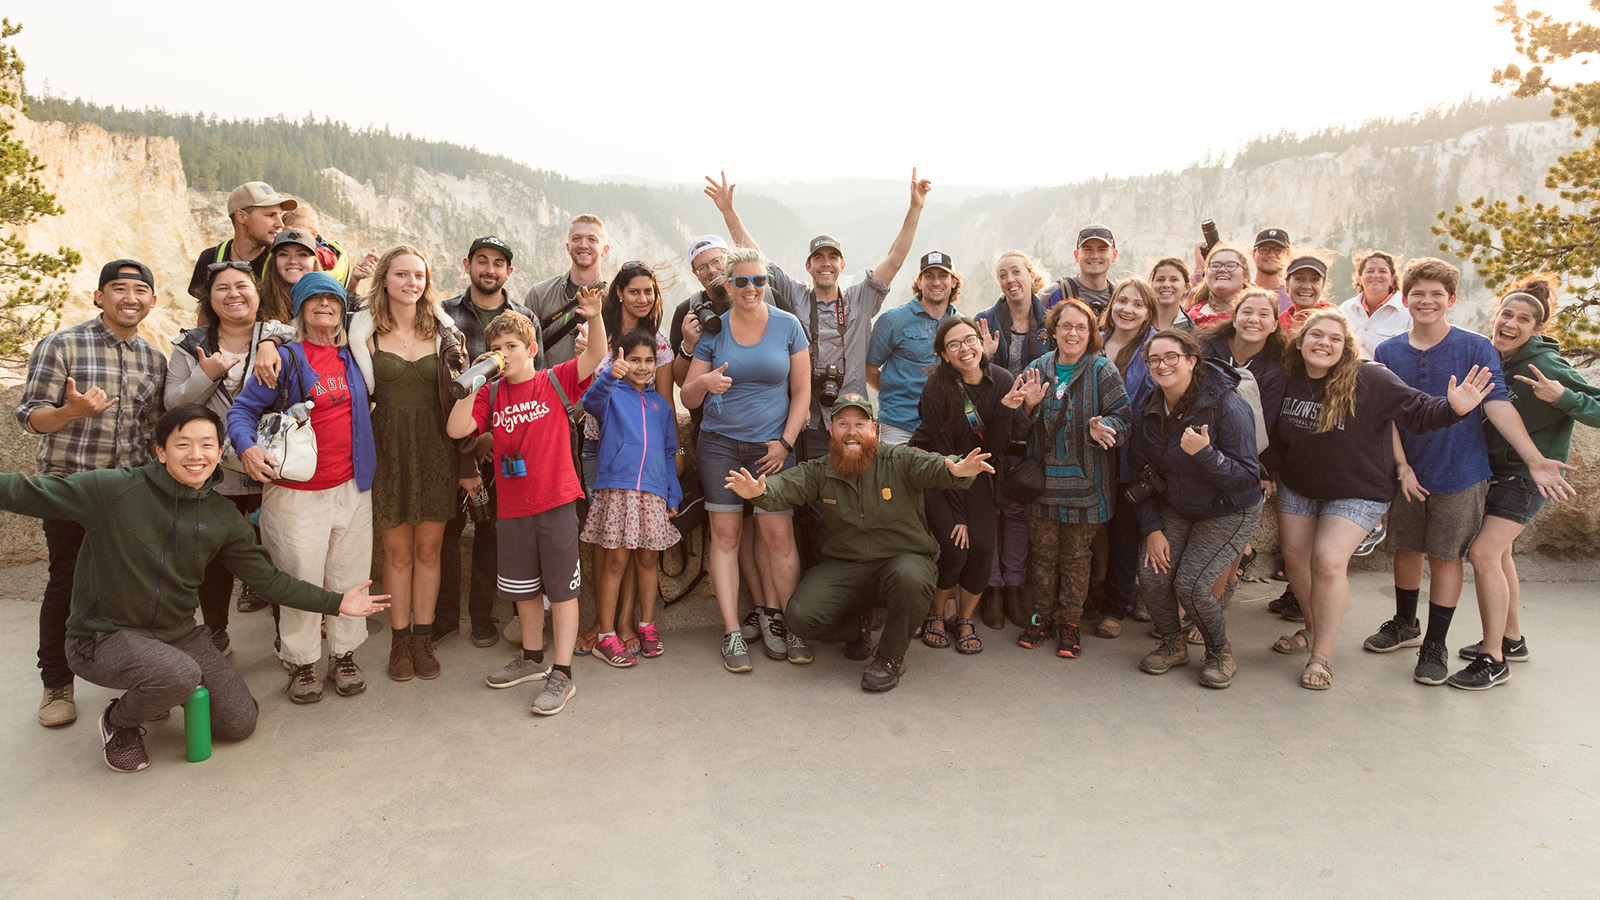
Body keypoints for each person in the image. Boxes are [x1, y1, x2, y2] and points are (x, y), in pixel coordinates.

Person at [0, 405, 392, 772]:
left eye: (207, 445)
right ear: (160, 451)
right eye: (182, 444)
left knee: (239, 723)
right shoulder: (113, 489)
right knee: (178, 675)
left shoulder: (221, 517)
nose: (196, 455)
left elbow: (269, 581)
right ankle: (119, 722)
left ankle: (158, 686)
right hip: (103, 635)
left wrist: (338, 602)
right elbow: (22, 491)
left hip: (176, 635)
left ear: (221, 452)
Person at [1368, 258, 1571, 686]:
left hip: (1462, 472)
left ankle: (1435, 644)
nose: (1426, 301)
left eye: (1436, 294)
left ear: (1451, 300)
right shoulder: (1387, 352)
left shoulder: (1475, 347)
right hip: (1410, 471)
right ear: (1404, 300)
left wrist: (1534, 459)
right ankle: (1406, 623)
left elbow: (1498, 403)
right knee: (1406, 548)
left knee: (1446, 557)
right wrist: (1401, 466)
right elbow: (1386, 417)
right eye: (1418, 294)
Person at [1268, 308, 1493, 690]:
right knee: (1295, 559)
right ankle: (1311, 626)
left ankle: (1321, 655)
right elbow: (1272, 434)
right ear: (1300, 341)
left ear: (1346, 347)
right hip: (1299, 486)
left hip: (1357, 490)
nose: (1324, 343)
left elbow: (1418, 410)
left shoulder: (1369, 378)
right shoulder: (1288, 379)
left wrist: (1453, 408)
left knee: (1326, 562)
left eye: (1334, 338)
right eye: (1316, 335)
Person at [724, 394, 995, 691]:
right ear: (831, 429)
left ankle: (889, 657)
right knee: (800, 616)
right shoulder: (820, 469)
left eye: (859, 423)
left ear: (874, 429)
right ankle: (859, 626)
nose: (851, 431)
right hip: (846, 568)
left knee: (913, 579)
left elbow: (933, 465)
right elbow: (787, 485)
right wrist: (757, 492)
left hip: (901, 563)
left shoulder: (899, 459)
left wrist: (957, 469)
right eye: (843, 424)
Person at [15, 259, 167, 729]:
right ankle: (57, 683)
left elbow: (151, 432)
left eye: (140, 290)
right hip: (71, 489)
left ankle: (141, 678)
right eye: (119, 289)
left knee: (133, 587)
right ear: (99, 297)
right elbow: (30, 415)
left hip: (128, 493)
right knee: (66, 584)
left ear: (152, 301)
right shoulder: (62, 344)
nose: (130, 298)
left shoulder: (153, 359)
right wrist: (70, 413)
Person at [447, 300, 605, 717]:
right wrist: (473, 383)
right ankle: (532, 658)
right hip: (513, 509)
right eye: (496, 346)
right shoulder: (493, 393)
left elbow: (596, 355)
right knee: (524, 590)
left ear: (531, 349)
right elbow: (457, 429)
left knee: (562, 589)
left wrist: (594, 315)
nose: (504, 354)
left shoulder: (556, 380)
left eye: (512, 346)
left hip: (555, 503)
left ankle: (563, 672)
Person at [706, 169, 927, 460]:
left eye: (832, 257)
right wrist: (728, 211)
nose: (826, 264)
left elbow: (895, 259)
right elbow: (755, 260)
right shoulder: (794, 295)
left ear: (842, 265)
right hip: (806, 419)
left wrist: (916, 207)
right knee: (812, 496)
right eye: (818, 258)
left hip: (852, 417)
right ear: (808, 266)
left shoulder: (860, 299)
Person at [228, 272, 377, 704]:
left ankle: (344, 654)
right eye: (314, 300)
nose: (325, 306)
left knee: (350, 576)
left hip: (352, 487)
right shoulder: (285, 358)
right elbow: (242, 410)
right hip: (297, 494)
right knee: (301, 578)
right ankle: (301, 661)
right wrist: (248, 449)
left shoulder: (354, 356)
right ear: (300, 309)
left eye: (333, 299)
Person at [1456, 280, 1600, 688]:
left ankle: (1493, 658)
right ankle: (1512, 639)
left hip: (1530, 477)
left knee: (1483, 555)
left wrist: (1564, 398)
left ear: (1537, 328)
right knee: (1500, 557)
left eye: (1523, 319)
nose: (1511, 323)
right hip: (1497, 473)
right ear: (1495, 316)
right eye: (1506, 314)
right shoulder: (1493, 358)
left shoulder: (1548, 366)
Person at [680, 248, 811, 671]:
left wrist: (785, 444)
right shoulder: (715, 330)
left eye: (757, 280)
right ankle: (732, 632)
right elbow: (686, 395)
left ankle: (791, 625)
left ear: (766, 282)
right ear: (728, 286)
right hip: (720, 445)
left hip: (771, 449)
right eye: (741, 281)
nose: (750, 288)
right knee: (726, 538)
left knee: (779, 539)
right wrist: (706, 380)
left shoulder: (788, 326)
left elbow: (802, 393)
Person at [349, 246, 473, 683]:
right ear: (384, 279)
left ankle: (423, 636)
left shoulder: (444, 333)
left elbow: (463, 399)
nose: (411, 283)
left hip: (436, 448)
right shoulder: (363, 331)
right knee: (397, 554)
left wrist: (466, 461)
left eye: (418, 275)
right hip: (387, 449)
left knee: (429, 550)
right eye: (401, 274)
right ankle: (399, 640)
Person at [165, 260, 294, 656]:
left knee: (277, 553)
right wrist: (207, 374)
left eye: (242, 286)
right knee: (212, 556)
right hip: (212, 470)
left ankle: (286, 631)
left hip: (273, 465)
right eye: (222, 288)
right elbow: (171, 404)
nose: (234, 294)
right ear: (210, 297)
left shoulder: (286, 337)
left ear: (258, 293)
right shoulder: (192, 344)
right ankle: (216, 632)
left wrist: (271, 343)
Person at [1131, 330, 1265, 689]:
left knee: (1191, 586)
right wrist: (1152, 529)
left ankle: (1220, 651)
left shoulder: (1227, 405)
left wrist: (1207, 455)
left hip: (1229, 509)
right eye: (1154, 360)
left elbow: (1248, 480)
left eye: (1171, 357)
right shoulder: (1148, 405)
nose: (1162, 365)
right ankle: (1173, 643)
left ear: (1192, 360)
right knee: (1153, 576)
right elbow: (1138, 473)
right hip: (1177, 505)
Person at [669, 234, 783, 643]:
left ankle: (769, 612)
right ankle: (752, 615)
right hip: (716, 434)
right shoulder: (688, 311)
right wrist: (687, 342)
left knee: (764, 531)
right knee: (732, 531)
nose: (712, 271)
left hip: (768, 437)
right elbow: (682, 381)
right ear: (695, 273)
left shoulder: (759, 300)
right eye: (702, 266)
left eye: (717, 262)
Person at [1015, 299, 1129, 658]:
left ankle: (1070, 624)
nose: (1073, 333)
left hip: (1086, 485)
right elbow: (1016, 428)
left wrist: (1104, 426)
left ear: (1091, 333)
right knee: (1043, 557)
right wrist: (1028, 407)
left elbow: (1124, 418)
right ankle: (1040, 619)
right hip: (1042, 483)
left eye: (1081, 327)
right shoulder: (1036, 368)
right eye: (1066, 326)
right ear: (1053, 330)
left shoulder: (1102, 371)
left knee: (1077, 557)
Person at [575, 261, 677, 660]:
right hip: (604, 453)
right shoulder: (600, 332)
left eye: (648, 291)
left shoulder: (660, 344)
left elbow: (663, 406)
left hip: (647, 465)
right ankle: (604, 628)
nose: (642, 298)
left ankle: (627, 624)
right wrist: (609, 372)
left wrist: (673, 471)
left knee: (640, 548)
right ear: (618, 292)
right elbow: (589, 396)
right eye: (633, 290)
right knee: (610, 545)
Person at [437, 235, 532, 647]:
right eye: (481, 261)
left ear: (508, 272)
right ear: (467, 265)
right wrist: (466, 454)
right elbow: (442, 385)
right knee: (448, 531)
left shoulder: (524, 316)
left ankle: (481, 617)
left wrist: (496, 436)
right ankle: (441, 620)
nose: (489, 269)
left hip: (504, 444)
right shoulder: (444, 316)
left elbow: (532, 381)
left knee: (493, 533)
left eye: (498, 263)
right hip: (455, 442)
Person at [910, 317, 1026, 654]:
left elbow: (996, 446)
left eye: (970, 340)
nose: (965, 348)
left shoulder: (1001, 380)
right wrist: (959, 515)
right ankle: (935, 614)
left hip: (980, 477)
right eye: (954, 344)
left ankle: (963, 617)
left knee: (982, 552)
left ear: (981, 343)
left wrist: (1006, 410)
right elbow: (942, 450)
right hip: (940, 474)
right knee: (956, 549)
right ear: (944, 355)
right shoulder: (937, 389)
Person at [975, 250, 1053, 627]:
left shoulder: (1051, 322)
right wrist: (984, 359)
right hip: (996, 424)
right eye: (1002, 273)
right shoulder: (985, 323)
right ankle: (991, 589)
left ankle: (1014, 588)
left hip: (1037, 427)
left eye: (1016, 271)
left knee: (1019, 510)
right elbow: (970, 378)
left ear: (1031, 275)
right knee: (990, 509)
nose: (1010, 279)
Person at [1092, 277, 1159, 636]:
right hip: (1089, 453)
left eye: (1137, 304)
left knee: (1123, 535)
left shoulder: (1153, 349)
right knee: (1092, 533)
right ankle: (1093, 594)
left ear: (1147, 312)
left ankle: (1115, 609)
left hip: (1131, 458)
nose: (1127, 309)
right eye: (1122, 301)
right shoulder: (1094, 340)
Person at [867, 251, 961, 445]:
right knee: (896, 475)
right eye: (929, 276)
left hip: (945, 426)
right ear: (919, 282)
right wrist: (897, 391)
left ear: (953, 282)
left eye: (943, 276)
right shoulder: (892, 320)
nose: (936, 282)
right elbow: (869, 369)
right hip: (899, 425)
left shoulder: (960, 324)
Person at [187, 181, 296, 301]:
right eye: (270, 215)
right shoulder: (210, 259)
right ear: (241, 216)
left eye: (280, 215)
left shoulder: (283, 261)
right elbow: (204, 315)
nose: (280, 224)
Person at [525, 214, 608, 365]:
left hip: (595, 388)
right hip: (545, 386)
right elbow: (522, 349)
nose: (584, 245)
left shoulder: (614, 300)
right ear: (568, 247)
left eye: (592, 239)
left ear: (605, 249)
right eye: (576, 238)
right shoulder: (539, 294)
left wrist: (597, 352)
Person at [281, 202, 378, 292]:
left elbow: (330, 262)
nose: (292, 236)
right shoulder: (277, 250)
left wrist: (312, 254)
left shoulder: (322, 248)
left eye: (298, 232)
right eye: (287, 231)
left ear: (314, 234)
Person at [1338, 250, 1409, 361]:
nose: (1376, 275)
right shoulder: (1345, 309)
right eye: (1370, 271)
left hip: (1389, 377)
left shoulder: (1407, 311)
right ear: (1359, 279)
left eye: (1383, 271)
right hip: (1347, 375)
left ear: (1392, 280)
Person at [1042, 225, 1117, 314]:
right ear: (1076, 255)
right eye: (1087, 250)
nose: (1094, 256)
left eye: (1102, 250)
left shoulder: (1120, 298)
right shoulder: (1054, 294)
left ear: (1114, 255)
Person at [1185, 244, 1250, 329]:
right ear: (1206, 274)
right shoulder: (1192, 303)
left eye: (1231, 265)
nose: (1222, 269)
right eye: (1215, 265)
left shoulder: (1253, 313)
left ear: (1245, 276)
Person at [1280, 255, 1335, 333]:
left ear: (1323, 285)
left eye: (1314, 280)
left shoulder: (1332, 319)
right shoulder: (1281, 320)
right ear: (1287, 284)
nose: (1307, 286)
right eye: (1299, 279)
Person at [1250, 228, 1293, 312]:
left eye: (1278, 250)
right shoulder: (1240, 293)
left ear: (1288, 255)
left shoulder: (1295, 298)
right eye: (1264, 249)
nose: (1271, 255)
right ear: (1253, 254)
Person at [1149, 257, 1196, 332]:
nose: (1166, 284)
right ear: (1152, 285)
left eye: (1174, 280)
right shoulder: (1137, 322)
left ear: (1186, 288)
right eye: (1160, 280)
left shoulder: (1193, 332)